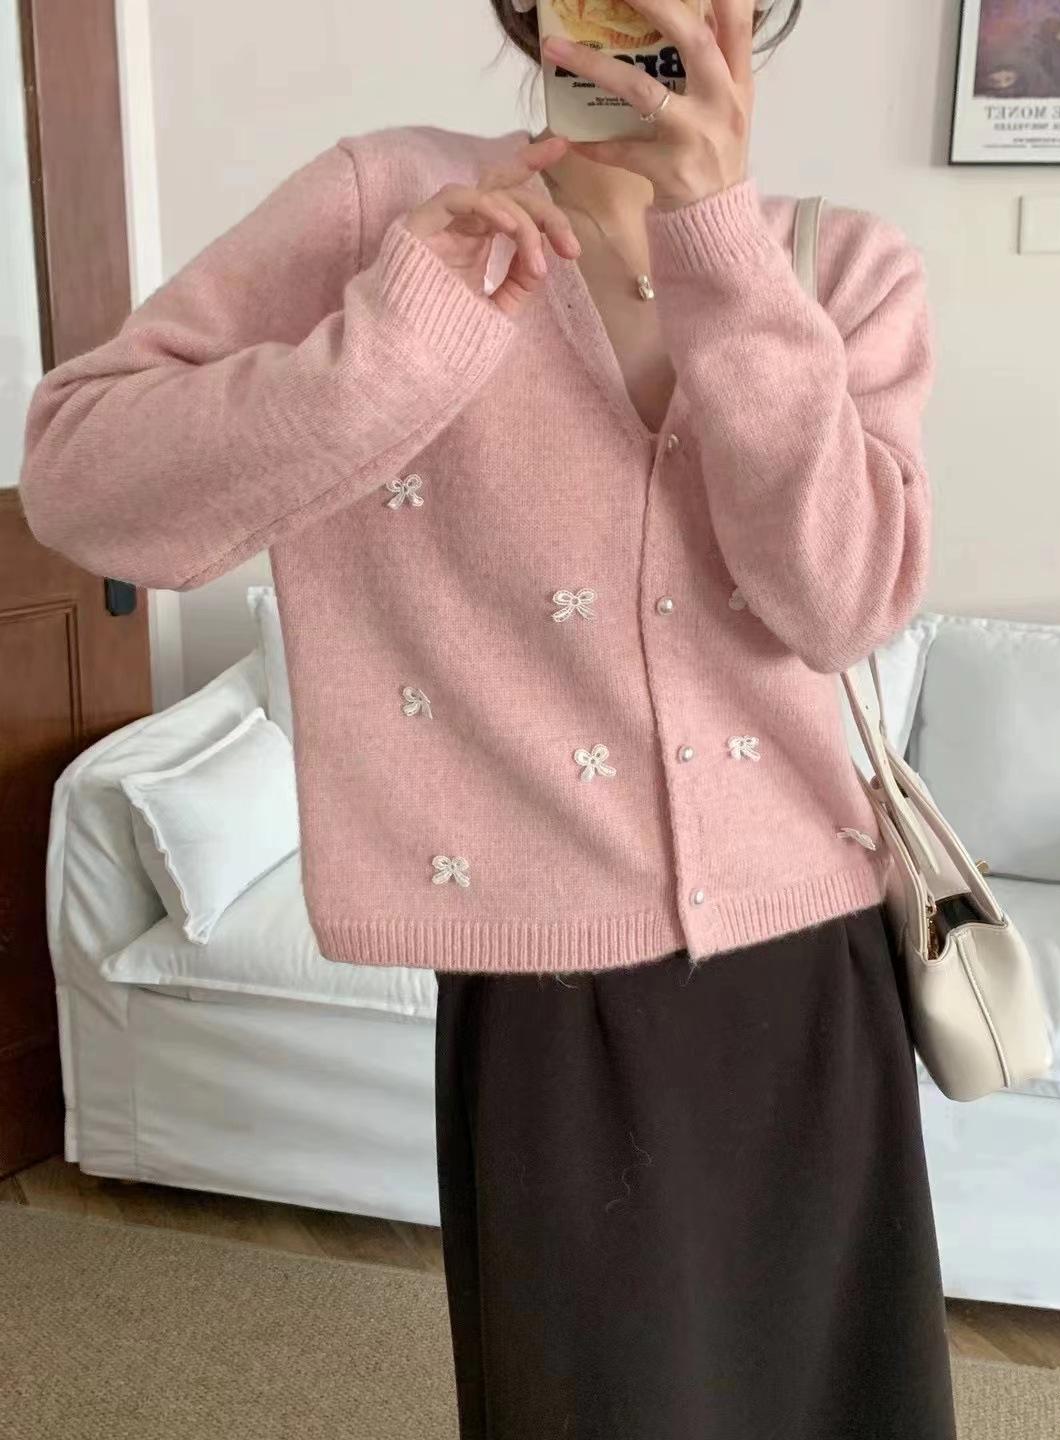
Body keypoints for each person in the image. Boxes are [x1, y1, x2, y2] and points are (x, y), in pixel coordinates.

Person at [19, 0, 956, 1435]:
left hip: (813, 974)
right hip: (544, 1000)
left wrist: (721, 243)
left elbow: (845, 602)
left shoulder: (844, 268)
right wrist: (396, 341)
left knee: (840, 1402)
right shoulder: (386, 207)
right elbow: (82, 482)